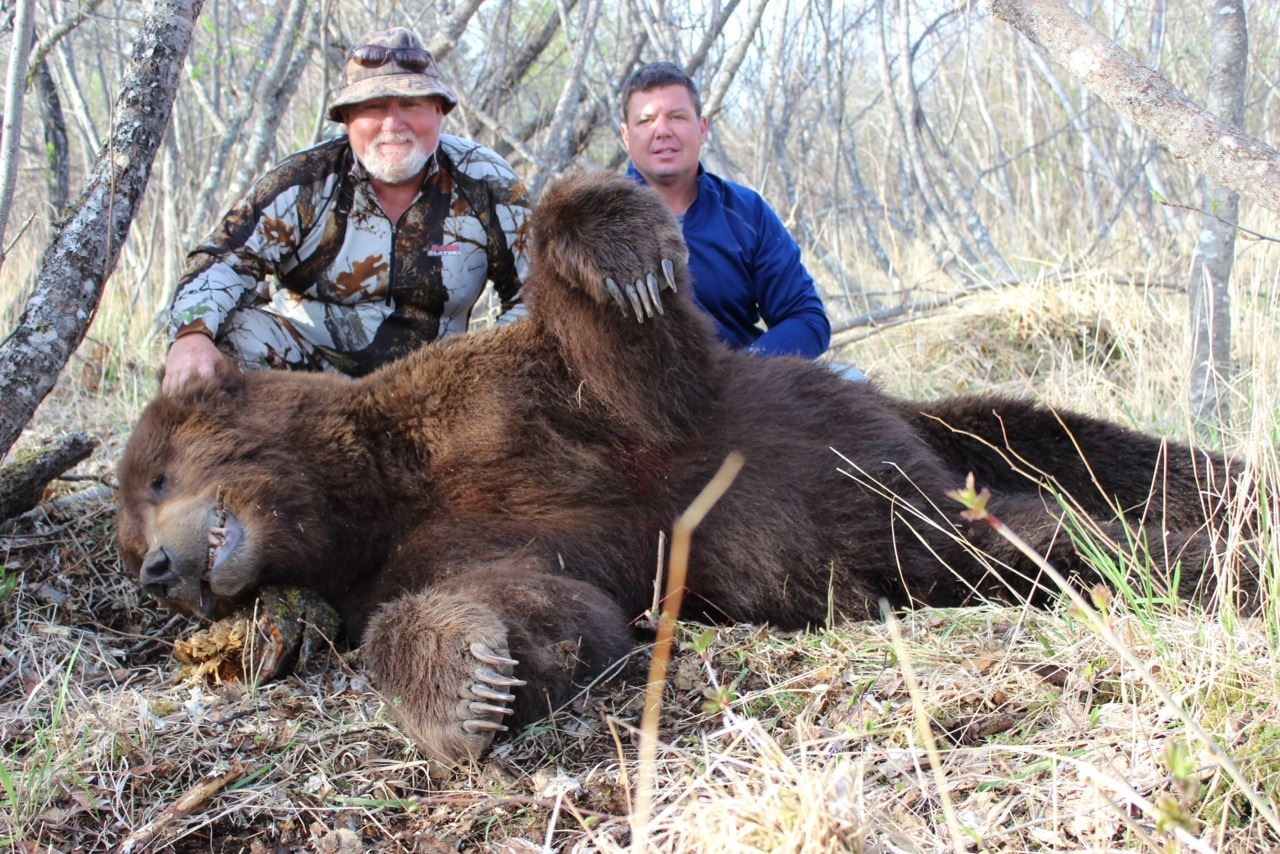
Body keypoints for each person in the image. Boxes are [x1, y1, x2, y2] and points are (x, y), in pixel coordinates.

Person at [162, 27, 531, 394]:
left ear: (439, 110)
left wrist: (483, 368)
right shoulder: (303, 181)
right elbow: (223, 259)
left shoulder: (486, 180)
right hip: (307, 386)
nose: (393, 124)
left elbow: (534, 293)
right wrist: (192, 334)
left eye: (411, 104)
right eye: (374, 107)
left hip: (437, 390)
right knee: (223, 340)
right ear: (347, 118)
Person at [618, 62, 865, 378]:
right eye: (646, 120)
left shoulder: (746, 212)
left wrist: (745, 369)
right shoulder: (595, 221)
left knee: (852, 380)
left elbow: (806, 319)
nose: (662, 131)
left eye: (677, 117)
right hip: (636, 390)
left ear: (702, 128)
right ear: (626, 135)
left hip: (739, 386)